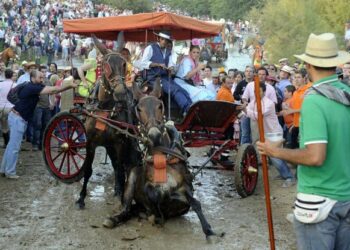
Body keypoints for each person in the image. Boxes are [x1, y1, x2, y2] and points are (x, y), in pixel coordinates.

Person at [257, 33, 350, 249]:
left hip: (319, 200)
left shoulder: (315, 100)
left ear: (308, 64)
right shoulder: (345, 92)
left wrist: (275, 152)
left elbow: (315, 156)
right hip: (345, 196)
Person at [0, 70, 77, 179]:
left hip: (16, 117)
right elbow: (54, 89)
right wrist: (69, 86)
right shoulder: (33, 87)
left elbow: (11, 95)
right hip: (18, 119)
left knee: (11, 146)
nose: (42, 79)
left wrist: (16, 107)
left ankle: (4, 170)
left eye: (43, 77)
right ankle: (10, 172)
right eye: (40, 77)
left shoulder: (27, 84)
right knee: (14, 147)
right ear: (33, 78)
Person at [247, 82, 295, 187]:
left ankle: (289, 177)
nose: (256, 93)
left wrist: (245, 110)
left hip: (273, 132)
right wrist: (246, 110)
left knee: (275, 156)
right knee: (273, 156)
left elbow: (258, 115)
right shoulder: (254, 102)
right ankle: (284, 174)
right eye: (254, 91)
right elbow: (251, 112)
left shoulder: (269, 103)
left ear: (264, 92)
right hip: (265, 132)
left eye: (258, 91)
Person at [137, 30, 192, 114]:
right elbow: (143, 63)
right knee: (173, 90)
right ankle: (187, 109)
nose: (164, 42)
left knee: (182, 90)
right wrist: (157, 64)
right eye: (163, 39)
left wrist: (171, 67)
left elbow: (170, 64)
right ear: (159, 38)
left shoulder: (169, 51)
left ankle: (191, 106)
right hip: (153, 78)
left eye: (166, 40)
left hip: (165, 77)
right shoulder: (150, 48)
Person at [0, 69, 15, 147]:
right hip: (11, 107)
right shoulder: (15, 85)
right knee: (12, 126)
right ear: (12, 75)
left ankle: (6, 143)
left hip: (1, 106)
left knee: (4, 126)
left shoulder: (1, 84)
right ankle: (11, 143)